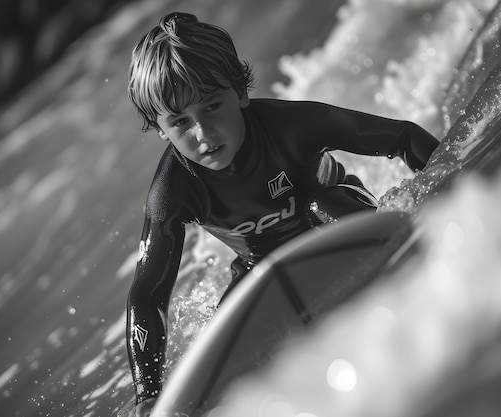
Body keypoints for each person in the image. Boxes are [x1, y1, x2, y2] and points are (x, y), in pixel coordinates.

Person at [125, 11, 439, 416]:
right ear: (161, 129)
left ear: (240, 92)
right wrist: (148, 393)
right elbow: (147, 295)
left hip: (339, 217)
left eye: (212, 106)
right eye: (180, 122)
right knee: (228, 339)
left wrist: (450, 186)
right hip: (262, 266)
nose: (203, 134)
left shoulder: (289, 126)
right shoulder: (172, 190)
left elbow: (403, 136)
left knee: (319, 204)